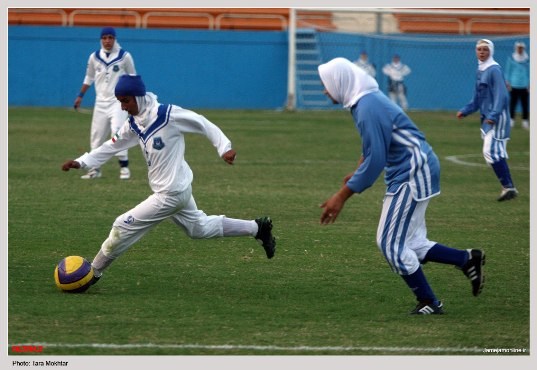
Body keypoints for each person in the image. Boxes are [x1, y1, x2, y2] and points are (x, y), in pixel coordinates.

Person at [62, 74, 276, 286]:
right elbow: (112, 146)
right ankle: (257, 228)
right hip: (176, 190)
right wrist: (82, 162)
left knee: (122, 226)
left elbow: (202, 122)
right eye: (120, 101)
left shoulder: (166, 115)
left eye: (125, 101)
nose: (123, 107)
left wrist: (224, 148)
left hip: (170, 193)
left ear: (138, 97)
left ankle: (92, 272)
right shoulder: (134, 124)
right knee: (198, 229)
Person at [317, 57, 485, 315]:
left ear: (340, 81)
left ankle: (429, 301)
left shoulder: (367, 105)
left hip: (412, 171)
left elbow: (376, 160)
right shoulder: (364, 101)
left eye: (326, 84)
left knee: (389, 244)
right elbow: (376, 148)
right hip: (416, 167)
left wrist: (341, 196)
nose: (324, 89)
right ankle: (465, 259)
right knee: (411, 241)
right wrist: (357, 172)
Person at [457, 39, 518, 202]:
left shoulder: (494, 70)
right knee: (494, 152)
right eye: (479, 49)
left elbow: (502, 94)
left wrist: (494, 115)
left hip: (496, 117)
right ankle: (508, 187)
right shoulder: (480, 70)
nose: (482, 52)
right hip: (488, 117)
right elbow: (477, 97)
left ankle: (508, 187)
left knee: (490, 151)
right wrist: (466, 110)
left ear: (491, 51)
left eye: (485, 49)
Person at [73, 27, 136, 180]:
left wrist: (133, 99)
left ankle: (124, 168)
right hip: (100, 102)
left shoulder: (124, 56)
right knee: (97, 135)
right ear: (101, 40)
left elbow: (133, 77)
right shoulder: (94, 57)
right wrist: (80, 96)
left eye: (110, 37)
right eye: (104, 38)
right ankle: (95, 170)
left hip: (117, 102)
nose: (107, 41)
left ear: (115, 39)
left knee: (118, 131)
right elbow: (89, 78)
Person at [505, 41, 530, 130]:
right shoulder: (511, 58)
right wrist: (507, 83)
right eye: (518, 48)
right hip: (514, 85)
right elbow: (508, 71)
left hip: (524, 85)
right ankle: (511, 121)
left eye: (521, 48)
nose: (520, 50)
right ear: (516, 48)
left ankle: (525, 121)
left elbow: (530, 72)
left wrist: (530, 84)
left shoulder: (527, 59)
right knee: (512, 104)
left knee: (525, 104)